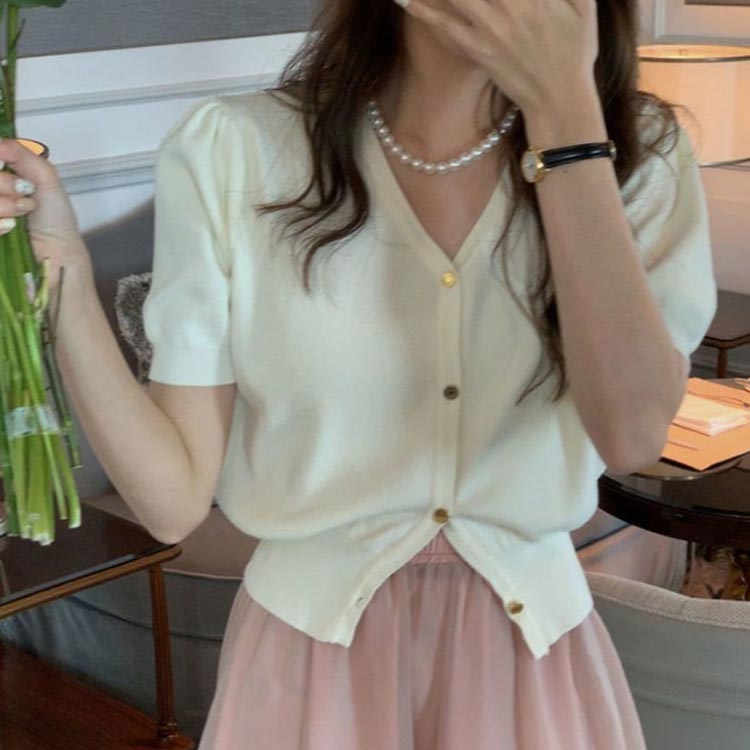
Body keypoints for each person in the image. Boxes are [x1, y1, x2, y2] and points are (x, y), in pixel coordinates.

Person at [0, 0, 718, 746]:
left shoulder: (641, 154)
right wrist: (64, 270)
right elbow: (171, 503)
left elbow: (632, 435)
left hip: (529, 664)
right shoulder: (236, 148)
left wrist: (567, 121)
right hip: (308, 668)